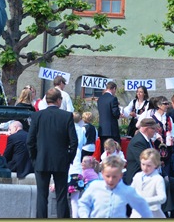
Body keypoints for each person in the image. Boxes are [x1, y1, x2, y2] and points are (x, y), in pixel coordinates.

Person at [26, 87, 78, 218]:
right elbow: (74, 142)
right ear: (59, 100)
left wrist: (34, 159)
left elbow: (30, 141)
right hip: (61, 161)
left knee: (42, 196)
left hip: (42, 160)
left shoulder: (37, 115)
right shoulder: (66, 116)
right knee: (61, 196)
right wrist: (69, 158)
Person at [77, 155, 153, 218]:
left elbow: (142, 206)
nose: (110, 180)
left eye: (114, 177)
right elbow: (83, 203)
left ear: (121, 175)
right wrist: (85, 215)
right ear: (102, 173)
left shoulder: (127, 191)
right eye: (107, 176)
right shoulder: (95, 187)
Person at [130, 148, 166, 218]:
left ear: (155, 165)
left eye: (149, 165)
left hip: (152, 213)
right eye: (143, 164)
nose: (145, 168)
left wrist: (145, 200)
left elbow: (162, 197)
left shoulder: (158, 179)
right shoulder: (137, 176)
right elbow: (131, 190)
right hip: (136, 212)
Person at [68, 112, 86, 218]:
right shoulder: (81, 129)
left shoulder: (69, 129)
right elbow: (84, 142)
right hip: (77, 168)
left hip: (71, 167)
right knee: (75, 199)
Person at [97, 81, 122, 153]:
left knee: (104, 149)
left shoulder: (100, 99)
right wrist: (119, 112)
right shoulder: (113, 98)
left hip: (102, 129)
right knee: (114, 149)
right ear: (114, 88)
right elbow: (115, 113)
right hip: (111, 129)